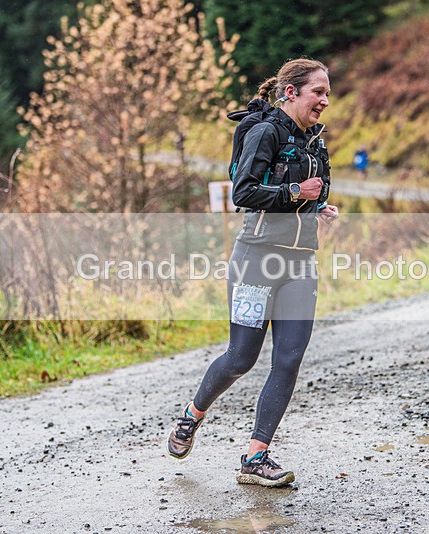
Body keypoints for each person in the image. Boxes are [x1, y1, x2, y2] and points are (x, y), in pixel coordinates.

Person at [167, 58, 339, 487]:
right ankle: (193, 414)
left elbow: (298, 197)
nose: (324, 100)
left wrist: (318, 208)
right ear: (291, 92)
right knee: (242, 357)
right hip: (256, 262)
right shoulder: (265, 132)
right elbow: (243, 193)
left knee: (290, 357)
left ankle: (255, 457)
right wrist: (297, 191)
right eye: (318, 91)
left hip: (299, 263)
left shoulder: (315, 142)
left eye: (328, 93)